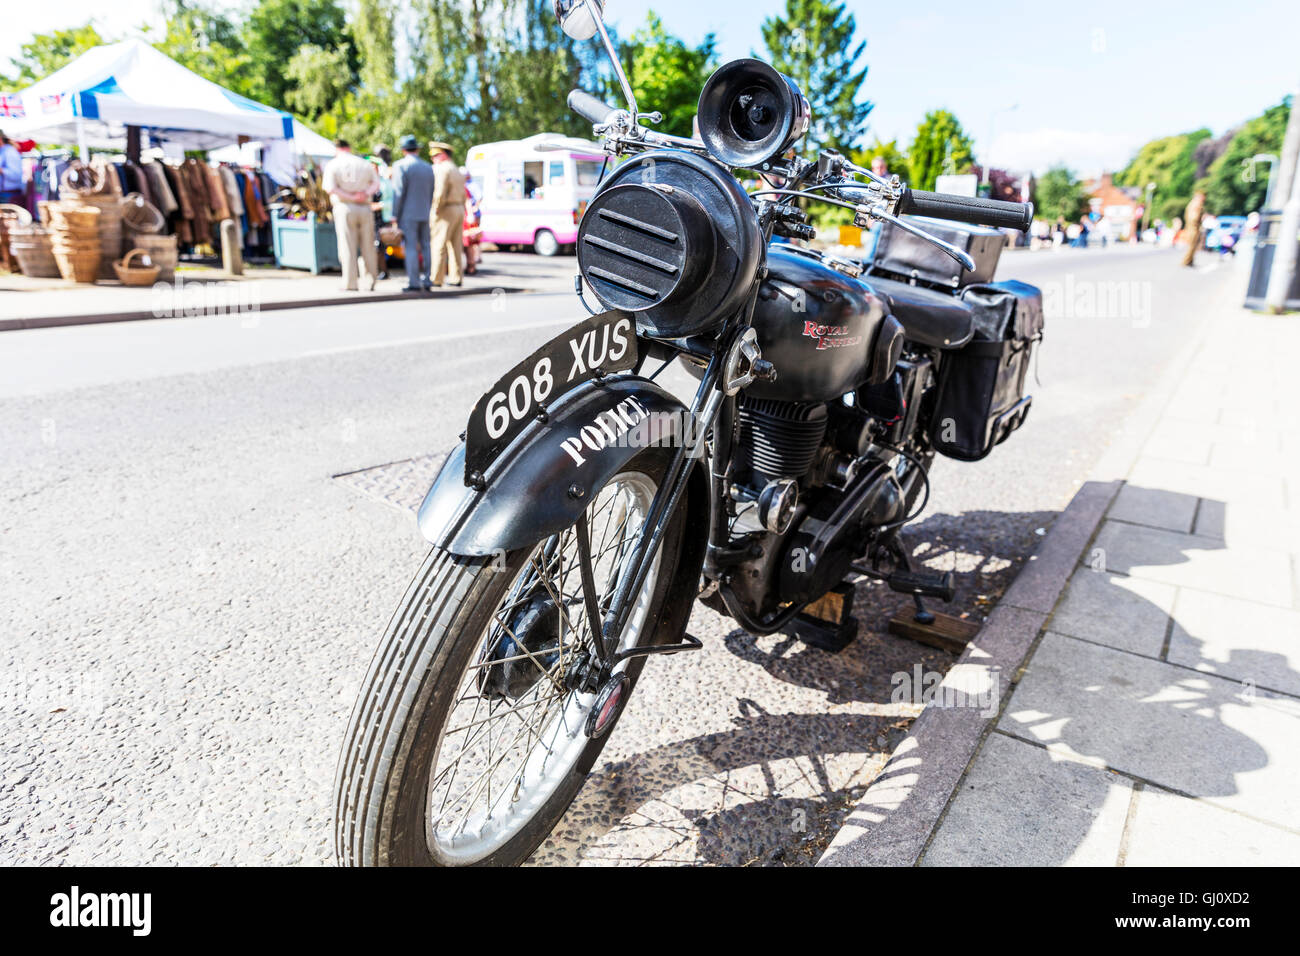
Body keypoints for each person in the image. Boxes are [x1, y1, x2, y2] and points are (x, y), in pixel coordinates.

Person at [322, 139, 381, 291]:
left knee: (347, 246)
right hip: (365, 207)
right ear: (349, 148)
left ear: (337, 149)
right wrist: (364, 194)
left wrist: (350, 196)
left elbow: (330, 188)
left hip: (345, 207)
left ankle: (350, 283)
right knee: (368, 245)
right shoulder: (364, 163)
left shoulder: (333, 164)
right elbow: (376, 184)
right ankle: (370, 281)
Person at [390, 135, 435, 292]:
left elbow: (398, 192)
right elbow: (431, 192)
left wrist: (394, 214)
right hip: (424, 212)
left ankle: (414, 282)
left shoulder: (401, 166)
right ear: (416, 149)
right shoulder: (428, 167)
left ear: (403, 150)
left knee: (411, 247)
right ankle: (428, 279)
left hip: (408, 214)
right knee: (426, 246)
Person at [428, 140, 465, 287]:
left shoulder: (442, 169)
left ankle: (436, 278)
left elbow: (440, 190)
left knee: (439, 244)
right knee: (456, 246)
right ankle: (456, 277)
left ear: (442, 155)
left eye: (435, 155)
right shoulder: (456, 169)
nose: (433, 159)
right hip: (458, 208)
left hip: (446, 209)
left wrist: (436, 207)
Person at [462, 167, 482, 276]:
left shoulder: (467, 187)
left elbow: (468, 202)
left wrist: (470, 213)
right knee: (468, 243)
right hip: (464, 218)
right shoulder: (463, 186)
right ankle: (471, 265)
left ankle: (471, 265)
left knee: (469, 243)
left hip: (465, 219)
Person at [1181, 192, 1206, 267]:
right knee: (1192, 245)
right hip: (1194, 227)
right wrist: (1197, 224)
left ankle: (1189, 261)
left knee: (1193, 245)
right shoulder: (1196, 204)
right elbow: (1194, 217)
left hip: (1191, 227)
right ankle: (1186, 261)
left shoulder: (1192, 203)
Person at [0, 130, 23, 207]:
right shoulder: (3, 151)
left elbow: (16, 175)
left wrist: (2, 170)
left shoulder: (10, 152)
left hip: (8, 195)